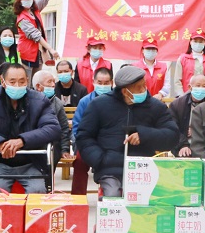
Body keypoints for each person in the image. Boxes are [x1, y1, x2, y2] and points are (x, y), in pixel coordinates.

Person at [76, 66, 179, 197]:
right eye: (139, 87)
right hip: (110, 169)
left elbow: (173, 135)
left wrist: (144, 135)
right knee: (113, 196)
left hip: (144, 168)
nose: (144, 90)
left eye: (144, 85)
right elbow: (84, 136)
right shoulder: (99, 105)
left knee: (149, 199)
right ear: (125, 91)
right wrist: (100, 159)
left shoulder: (156, 107)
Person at [0, 63, 61, 193]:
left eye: (22, 82)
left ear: (27, 81)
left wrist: (22, 141)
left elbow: (53, 128)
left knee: (37, 192)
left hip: (31, 162)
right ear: (2, 81)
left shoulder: (39, 100)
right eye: (12, 81)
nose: (17, 86)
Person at [69, 67, 114, 194]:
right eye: (100, 82)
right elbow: (76, 127)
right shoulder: (85, 101)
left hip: (111, 144)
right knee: (79, 162)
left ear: (112, 83)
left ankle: (109, 195)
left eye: (106, 83)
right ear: (93, 82)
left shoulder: (118, 101)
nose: (103, 86)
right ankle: (78, 199)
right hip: (88, 143)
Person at [14, 0, 61, 74]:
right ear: (19, 2)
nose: (29, 0)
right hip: (27, 55)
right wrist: (51, 49)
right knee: (27, 80)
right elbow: (36, 35)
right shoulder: (22, 19)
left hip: (38, 54)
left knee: (37, 79)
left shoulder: (34, 9)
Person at [32, 70, 73, 169]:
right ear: (38, 86)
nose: (53, 85)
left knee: (51, 155)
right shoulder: (28, 101)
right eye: (49, 82)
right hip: (31, 142)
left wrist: (65, 149)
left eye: (53, 81)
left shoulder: (57, 103)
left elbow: (64, 128)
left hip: (52, 144)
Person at [169, 74, 205, 157]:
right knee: (185, 154)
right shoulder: (177, 105)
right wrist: (183, 145)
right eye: (198, 86)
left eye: (204, 86)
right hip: (182, 143)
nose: (201, 89)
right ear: (190, 87)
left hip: (204, 145)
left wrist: (195, 130)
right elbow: (173, 129)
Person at [177, 30, 205, 96]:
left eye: (201, 42)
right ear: (190, 42)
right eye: (195, 41)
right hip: (187, 95)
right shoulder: (182, 59)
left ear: (204, 43)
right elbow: (177, 80)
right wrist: (181, 96)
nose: (198, 44)